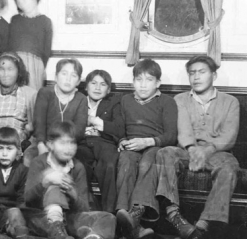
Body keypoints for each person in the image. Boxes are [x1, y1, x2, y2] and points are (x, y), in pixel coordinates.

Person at [118, 56, 240, 239]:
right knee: (165, 153)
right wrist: (192, 150)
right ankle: (173, 214)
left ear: (214, 75)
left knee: (229, 168)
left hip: (217, 152)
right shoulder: (181, 99)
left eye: (202, 72)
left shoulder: (230, 102)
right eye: (192, 73)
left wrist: (206, 151)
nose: (196, 77)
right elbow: (182, 131)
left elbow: (229, 137)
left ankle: (205, 223)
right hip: (187, 149)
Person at [115, 59, 178, 239]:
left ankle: (136, 212)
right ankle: (123, 214)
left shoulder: (167, 101)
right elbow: (120, 128)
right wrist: (122, 140)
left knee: (147, 162)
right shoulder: (125, 100)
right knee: (126, 160)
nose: (143, 85)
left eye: (149, 80)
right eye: (138, 79)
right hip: (132, 145)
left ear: (158, 83)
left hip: (155, 145)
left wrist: (148, 141)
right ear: (132, 81)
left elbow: (171, 136)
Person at [23, 122, 116, 239]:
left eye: (72, 143)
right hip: (44, 217)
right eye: (62, 143)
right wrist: (45, 182)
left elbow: (84, 208)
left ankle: (93, 236)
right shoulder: (39, 162)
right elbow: (28, 199)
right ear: (50, 145)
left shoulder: (77, 167)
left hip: (70, 218)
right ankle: (59, 230)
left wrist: (72, 192)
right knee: (53, 189)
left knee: (108, 218)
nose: (68, 148)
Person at [23, 58, 87, 167]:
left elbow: (79, 130)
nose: (68, 79)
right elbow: (39, 123)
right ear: (56, 77)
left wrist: (61, 146)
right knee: (30, 158)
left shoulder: (81, 99)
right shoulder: (45, 93)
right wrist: (41, 145)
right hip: (43, 141)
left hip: (68, 144)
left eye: (73, 75)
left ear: (78, 81)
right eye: (64, 74)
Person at [74, 70, 123, 213]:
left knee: (109, 165)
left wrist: (98, 123)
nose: (97, 88)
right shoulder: (78, 101)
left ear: (108, 90)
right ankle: (85, 210)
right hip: (82, 143)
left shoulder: (114, 103)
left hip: (105, 143)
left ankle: (109, 212)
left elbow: (119, 128)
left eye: (103, 84)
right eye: (93, 83)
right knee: (80, 165)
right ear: (86, 87)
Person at [9, 0, 52, 90]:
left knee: (32, 96)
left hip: (35, 65)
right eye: (17, 0)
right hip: (15, 63)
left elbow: (46, 49)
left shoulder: (45, 21)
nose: (20, 2)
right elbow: (9, 44)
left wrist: (40, 66)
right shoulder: (15, 19)